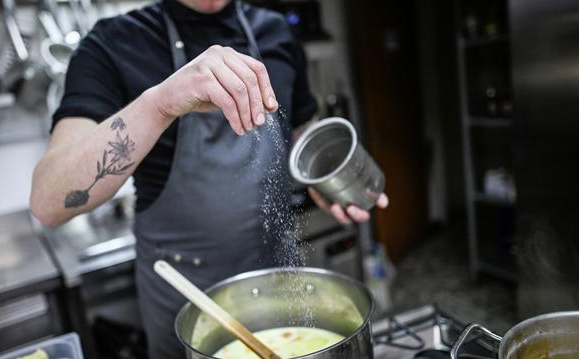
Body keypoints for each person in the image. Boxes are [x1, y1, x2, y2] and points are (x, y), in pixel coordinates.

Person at [30, 0, 388, 357]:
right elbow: (49, 202)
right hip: (184, 294)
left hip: (278, 282)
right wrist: (159, 105)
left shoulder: (274, 29)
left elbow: (300, 129)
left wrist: (326, 177)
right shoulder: (113, 44)